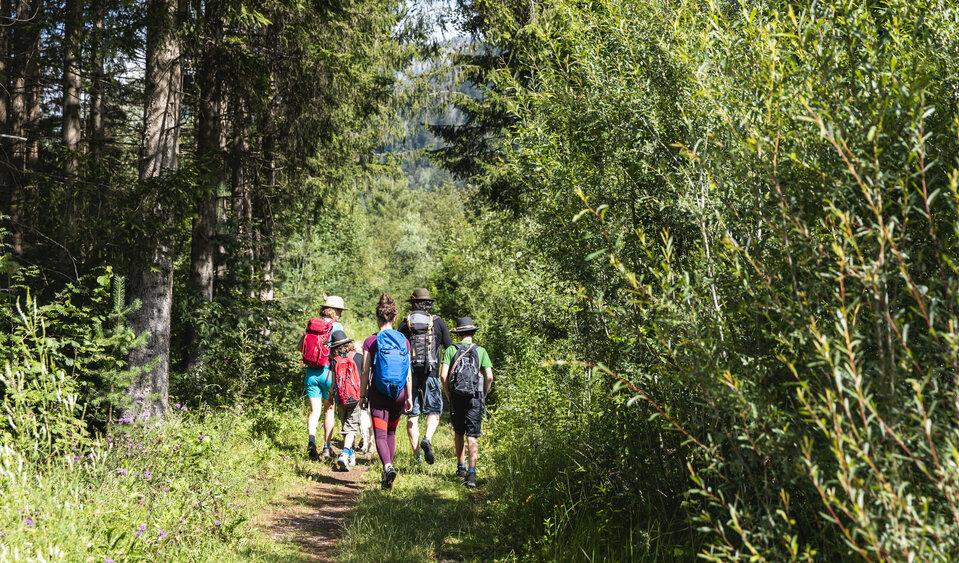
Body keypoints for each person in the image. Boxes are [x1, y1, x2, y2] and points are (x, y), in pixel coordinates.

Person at [360, 294, 413, 489]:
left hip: (379, 393)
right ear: (394, 317)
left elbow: (365, 370)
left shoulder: (370, 341)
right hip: (398, 394)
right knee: (391, 432)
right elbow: (408, 372)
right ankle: (387, 475)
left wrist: (362, 395)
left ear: (378, 317)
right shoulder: (404, 341)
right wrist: (409, 397)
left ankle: (388, 467)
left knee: (380, 434)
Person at [397, 288, 452, 465]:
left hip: (410, 375)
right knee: (434, 412)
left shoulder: (406, 324)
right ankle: (427, 438)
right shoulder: (438, 322)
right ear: (428, 304)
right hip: (432, 373)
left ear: (413, 304)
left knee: (412, 415)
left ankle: (416, 456)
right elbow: (449, 348)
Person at [440, 317, 493, 488]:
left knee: (458, 431)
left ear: (458, 334)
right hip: (475, 396)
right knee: (473, 435)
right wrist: (483, 394)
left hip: (456, 396)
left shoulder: (450, 350)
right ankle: (471, 473)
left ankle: (460, 466)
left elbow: (443, 375)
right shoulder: (481, 351)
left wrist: (448, 394)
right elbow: (489, 376)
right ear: (472, 333)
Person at [301, 295, 347, 461]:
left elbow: (301, 346)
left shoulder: (312, 324)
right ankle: (327, 448)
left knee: (315, 411)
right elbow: (342, 351)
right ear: (335, 311)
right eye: (340, 311)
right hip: (328, 374)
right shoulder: (336, 326)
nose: (340, 314)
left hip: (311, 373)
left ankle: (311, 441)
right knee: (329, 410)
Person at [329, 330, 364, 471]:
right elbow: (364, 377)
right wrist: (364, 396)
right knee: (351, 426)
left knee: (345, 426)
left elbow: (332, 382)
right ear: (349, 343)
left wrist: (330, 395)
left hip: (341, 398)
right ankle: (346, 453)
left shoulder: (334, 360)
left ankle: (348, 454)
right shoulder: (359, 357)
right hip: (355, 397)